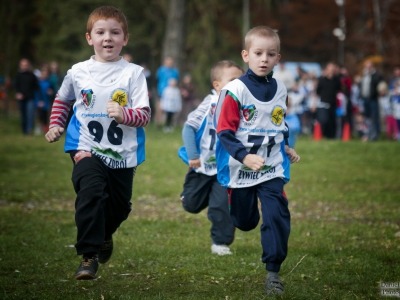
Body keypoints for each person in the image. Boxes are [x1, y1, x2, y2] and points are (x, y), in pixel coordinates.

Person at [45, 6, 151, 280]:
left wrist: (124, 114)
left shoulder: (134, 74)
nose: (108, 38)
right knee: (91, 192)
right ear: (89, 38)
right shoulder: (78, 72)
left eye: (115, 32)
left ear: (125, 39)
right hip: (85, 146)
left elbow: (145, 115)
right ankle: (89, 256)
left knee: (119, 207)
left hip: (123, 154)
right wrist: (56, 124)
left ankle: (104, 235)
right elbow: (63, 100)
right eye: (100, 32)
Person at [214, 26, 300, 296]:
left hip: (271, 167)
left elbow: (278, 123)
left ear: (278, 58)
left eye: (270, 54)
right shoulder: (234, 91)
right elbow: (224, 133)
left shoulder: (281, 88)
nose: (264, 59)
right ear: (246, 55)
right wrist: (244, 155)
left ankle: (273, 272)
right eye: (258, 53)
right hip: (241, 169)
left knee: (277, 213)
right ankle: (236, 206)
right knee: (245, 221)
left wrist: (286, 146)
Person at [178, 60, 243, 256]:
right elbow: (189, 127)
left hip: (226, 168)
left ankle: (220, 241)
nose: (238, 84)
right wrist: (193, 155)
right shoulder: (210, 103)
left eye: (241, 80)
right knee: (191, 204)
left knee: (221, 205)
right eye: (233, 80)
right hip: (201, 164)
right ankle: (198, 196)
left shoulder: (244, 105)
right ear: (217, 85)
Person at [316, 62, 342, 139]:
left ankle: (331, 137)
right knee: (324, 120)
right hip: (323, 104)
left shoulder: (337, 80)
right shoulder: (322, 80)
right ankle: (323, 135)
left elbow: (339, 91)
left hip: (333, 104)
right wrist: (314, 104)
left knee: (332, 121)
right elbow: (317, 93)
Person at [15, 58, 39, 135]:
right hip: (21, 98)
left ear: (28, 66)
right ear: (20, 66)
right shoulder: (18, 76)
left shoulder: (32, 76)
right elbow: (16, 86)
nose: (25, 67)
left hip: (30, 98)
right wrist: (18, 93)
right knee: (23, 115)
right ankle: (24, 131)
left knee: (30, 114)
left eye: (26, 65)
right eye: (23, 65)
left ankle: (29, 130)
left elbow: (36, 87)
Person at [359, 60, 383, 141]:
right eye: (367, 66)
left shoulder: (376, 75)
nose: (368, 68)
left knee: (375, 116)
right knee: (367, 117)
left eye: (369, 66)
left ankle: (376, 134)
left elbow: (379, 84)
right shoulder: (363, 75)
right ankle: (368, 133)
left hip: (373, 99)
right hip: (365, 99)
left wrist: (371, 74)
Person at [155, 56, 179, 128]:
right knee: (160, 108)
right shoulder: (161, 70)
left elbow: (176, 80)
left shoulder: (175, 71)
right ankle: (158, 124)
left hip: (171, 93)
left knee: (171, 109)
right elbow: (157, 79)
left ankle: (169, 124)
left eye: (171, 62)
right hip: (162, 91)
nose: (169, 64)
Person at [36, 68, 53, 134]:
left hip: (47, 101)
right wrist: (38, 101)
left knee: (46, 115)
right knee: (40, 115)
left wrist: (50, 92)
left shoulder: (49, 82)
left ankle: (45, 128)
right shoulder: (38, 82)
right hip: (40, 101)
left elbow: (51, 90)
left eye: (46, 74)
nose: (45, 75)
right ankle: (39, 128)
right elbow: (36, 92)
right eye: (44, 74)